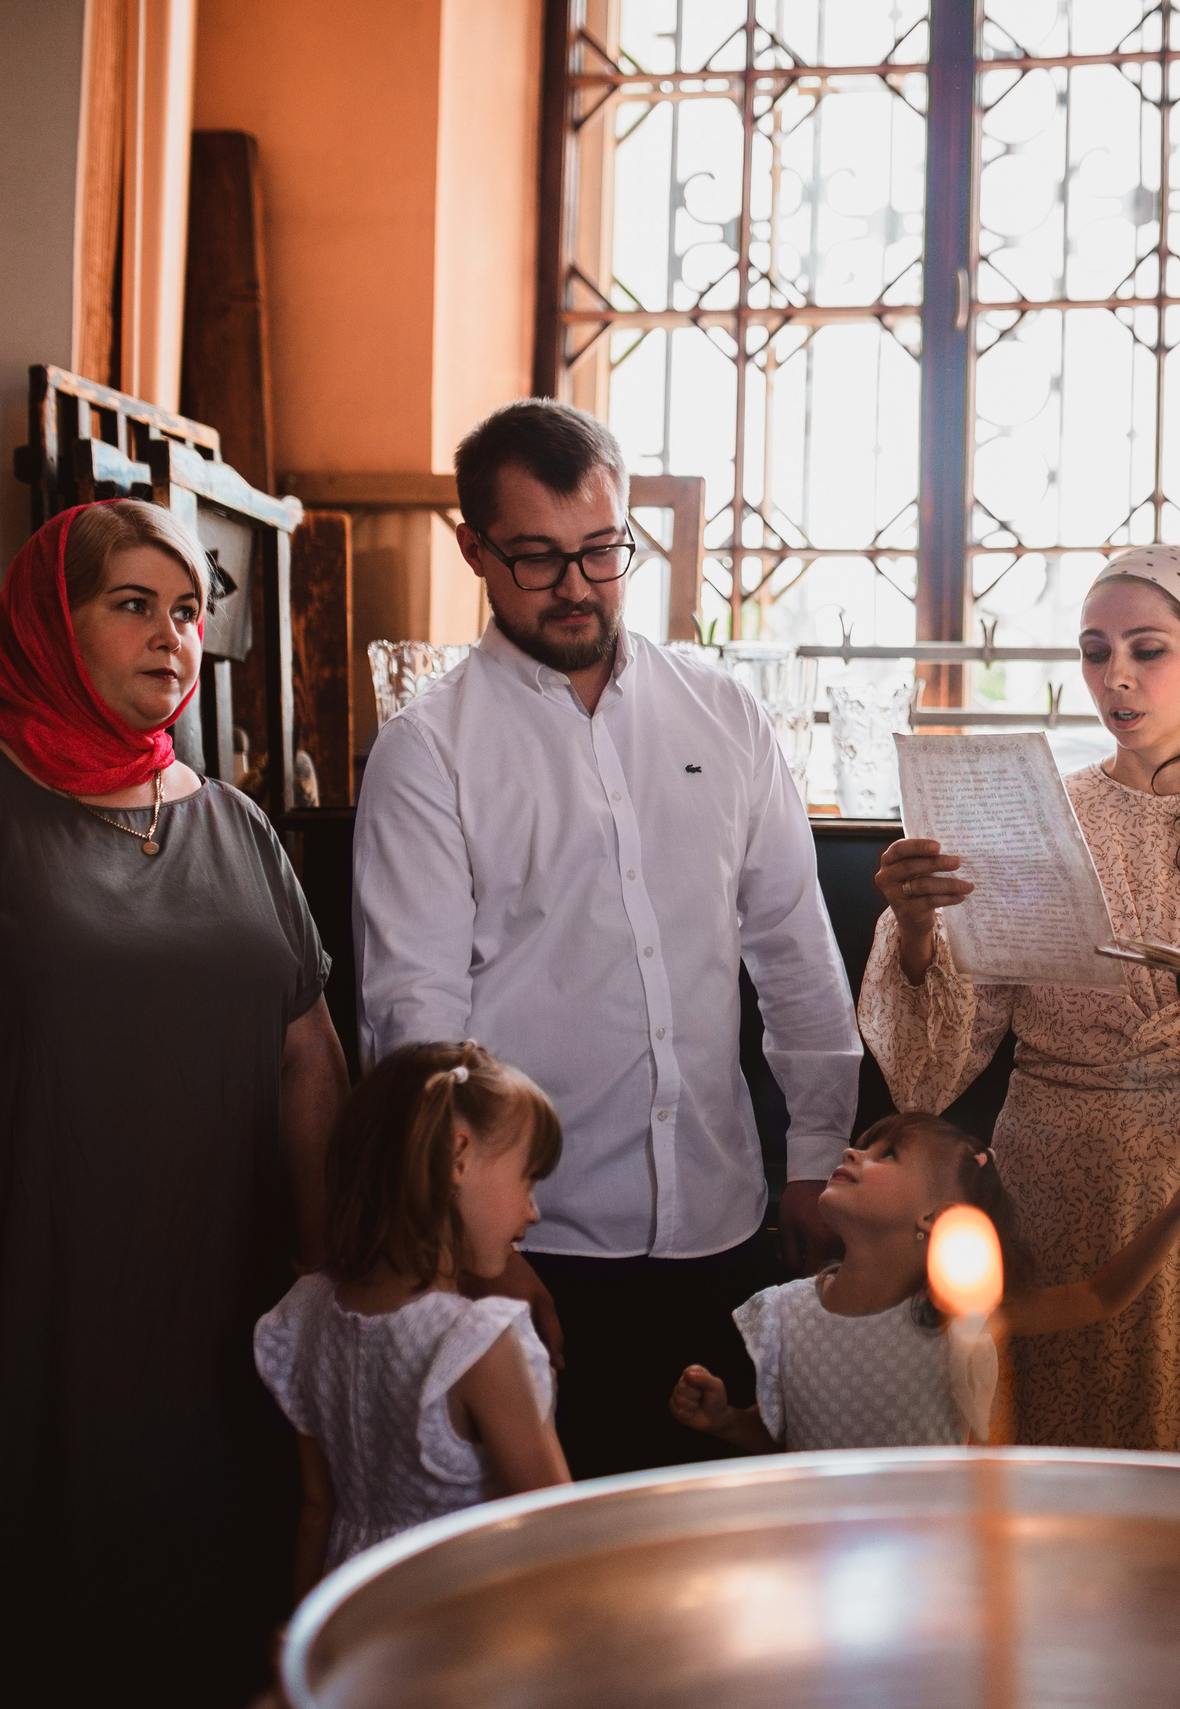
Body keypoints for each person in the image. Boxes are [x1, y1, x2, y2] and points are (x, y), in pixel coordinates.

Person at [0, 499, 349, 1707]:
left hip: (209, 1321)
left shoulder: (240, 827)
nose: (172, 637)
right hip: (3, 1301)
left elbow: (309, 1058)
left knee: (193, 1612)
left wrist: (329, 1277)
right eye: (131, 605)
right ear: (51, 621)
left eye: (189, 611)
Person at [353, 399, 861, 1479]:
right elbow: (415, 1023)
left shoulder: (723, 714)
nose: (577, 585)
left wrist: (816, 1156)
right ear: (475, 551)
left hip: (723, 1223)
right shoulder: (427, 750)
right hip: (538, 1244)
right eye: (537, 558)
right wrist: (472, 1246)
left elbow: (794, 950)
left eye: (602, 550)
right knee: (550, 1578)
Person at [856, 547, 1180, 1465]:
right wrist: (915, 931)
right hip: (1056, 1197)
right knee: (1064, 1486)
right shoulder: (1030, 817)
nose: (1114, 676)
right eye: (1093, 649)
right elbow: (930, 1071)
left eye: (1146, 649)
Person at [669, 1109, 1180, 1453]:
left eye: (887, 1156)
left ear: (936, 1220)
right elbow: (791, 1444)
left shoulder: (959, 1319)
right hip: (824, 1560)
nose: (854, 1151)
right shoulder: (782, 1314)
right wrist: (729, 1421)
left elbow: (1100, 1294)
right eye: (864, 1145)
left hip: (937, 1564)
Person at [255, 1041, 569, 1589]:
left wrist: (303, 1640)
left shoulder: (304, 1313)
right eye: (528, 1179)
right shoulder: (481, 1342)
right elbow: (556, 1533)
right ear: (458, 1157)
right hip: (454, 1625)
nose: (533, 1211)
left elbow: (315, 1510)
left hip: (356, 1616)